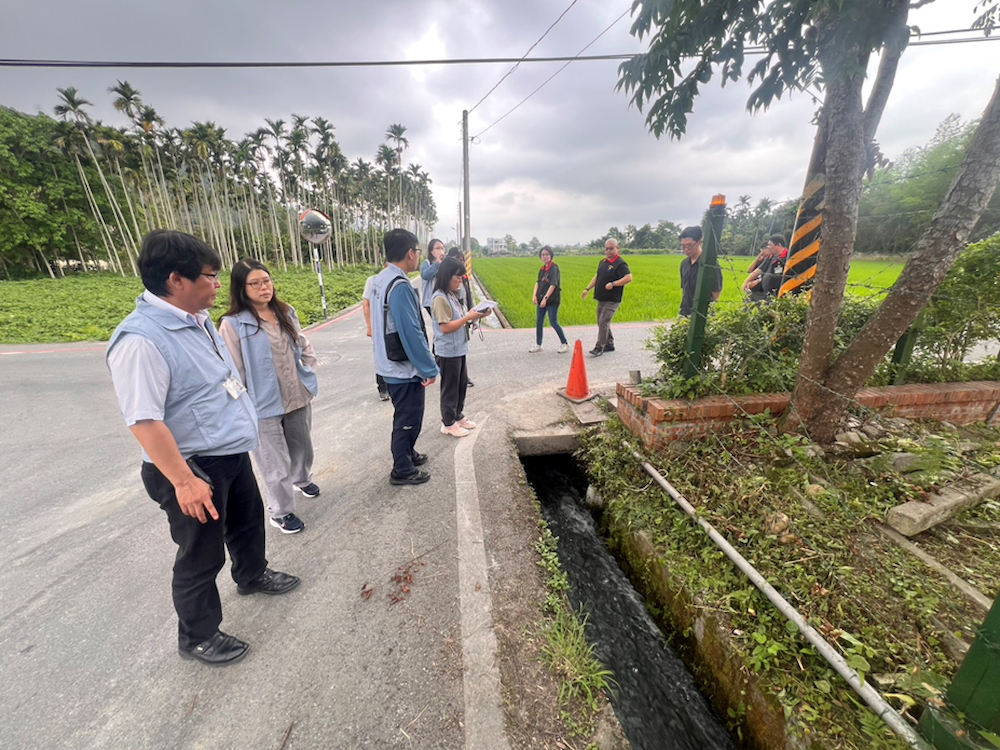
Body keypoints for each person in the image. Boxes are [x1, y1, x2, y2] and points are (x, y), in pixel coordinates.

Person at [106, 230, 299, 668]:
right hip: (190, 467)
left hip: (228, 451)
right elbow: (144, 421)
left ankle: (251, 574)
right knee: (201, 552)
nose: (218, 285)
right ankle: (198, 635)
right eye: (210, 277)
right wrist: (184, 482)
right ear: (177, 279)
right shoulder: (140, 340)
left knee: (247, 524)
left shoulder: (196, 318)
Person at [219, 259, 319, 536]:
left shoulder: (285, 311)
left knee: (302, 447)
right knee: (274, 463)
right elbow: (231, 370)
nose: (264, 287)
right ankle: (281, 511)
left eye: (267, 280)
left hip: (296, 393)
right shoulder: (233, 325)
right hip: (263, 405)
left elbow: (301, 341)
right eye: (256, 283)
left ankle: (302, 479)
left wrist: (309, 367)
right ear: (242, 287)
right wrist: (240, 405)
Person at [371, 228, 439, 485]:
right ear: (411, 253)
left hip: (388, 362)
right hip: (402, 367)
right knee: (408, 419)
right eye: (418, 251)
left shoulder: (380, 279)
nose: (418, 256)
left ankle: (408, 454)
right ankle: (402, 469)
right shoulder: (400, 286)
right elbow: (411, 332)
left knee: (405, 415)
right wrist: (429, 368)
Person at [431, 257, 491, 437]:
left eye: (461, 278)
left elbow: (461, 318)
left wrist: (478, 314)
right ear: (447, 276)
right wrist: (467, 318)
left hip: (459, 348)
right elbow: (445, 327)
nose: (459, 282)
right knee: (450, 388)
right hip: (448, 351)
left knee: (460, 385)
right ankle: (448, 423)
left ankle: (457, 415)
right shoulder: (440, 298)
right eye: (456, 278)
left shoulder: (452, 295)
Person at [581, 238, 632, 356]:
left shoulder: (620, 263)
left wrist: (614, 284)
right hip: (601, 297)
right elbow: (597, 276)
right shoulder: (603, 262)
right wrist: (588, 289)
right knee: (601, 322)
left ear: (617, 248)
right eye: (607, 249)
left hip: (612, 299)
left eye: (611, 248)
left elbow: (629, 277)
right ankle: (609, 344)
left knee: (604, 321)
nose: (608, 251)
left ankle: (599, 347)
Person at [529, 246, 569, 354]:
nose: (545, 256)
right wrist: (534, 296)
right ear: (540, 257)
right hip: (541, 299)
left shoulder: (554, 268)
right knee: (539, 322)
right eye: (543, 255)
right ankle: (538, 344)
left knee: (553, 322)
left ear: (551, 255)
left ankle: (564, 343)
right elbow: (538, 283)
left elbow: (553, 284)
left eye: (547, 254)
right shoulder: (542, 269)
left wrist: (545, 298)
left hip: (552, 300)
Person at [446, 247, 477, 387]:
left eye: (462, 260)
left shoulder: (463, 278)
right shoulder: (444, 290)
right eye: (458, 260)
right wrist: (467, 318)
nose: (461, 263)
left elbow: (469, 296)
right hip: (455, 321)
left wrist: (474, 315)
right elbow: (444, 327)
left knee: (462, 349)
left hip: (463, 311)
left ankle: (463, 377)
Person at [679, 226, 723, 317]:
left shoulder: (710, 265)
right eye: (683, 246)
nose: (686, 249)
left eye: (689, 245)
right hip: (685, 312)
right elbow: (684, 289)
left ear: (699, 242)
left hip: (703, 315)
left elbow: (716, 294)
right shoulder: (684, 264)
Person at [363, 266, 391, 401]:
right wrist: (370, 326)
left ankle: (391, 385)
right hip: (378, 326)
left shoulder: (397, 282)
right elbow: (366, 304)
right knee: (380, 355)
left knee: (392, 355)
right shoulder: (373, 281)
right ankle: (382, 387)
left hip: (391, 327)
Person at [742, 234, 788, 302]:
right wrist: (746, 282)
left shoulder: (788, 258)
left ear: (778, 245)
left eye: (770, 245)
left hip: (777, 294)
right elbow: (759, 270)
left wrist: (759, 280)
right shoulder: (771, 257)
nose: (768, 247)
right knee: (749, 298)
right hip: (764, 292)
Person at [420, 238, 446, 316]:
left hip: (442, 299)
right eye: (437, 248)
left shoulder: (444, 264)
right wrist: (437, 263)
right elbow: (425, 275)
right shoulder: (426, 263)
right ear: (431, 251)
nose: (440, 250)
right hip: (430, 301)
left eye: (442, 248)